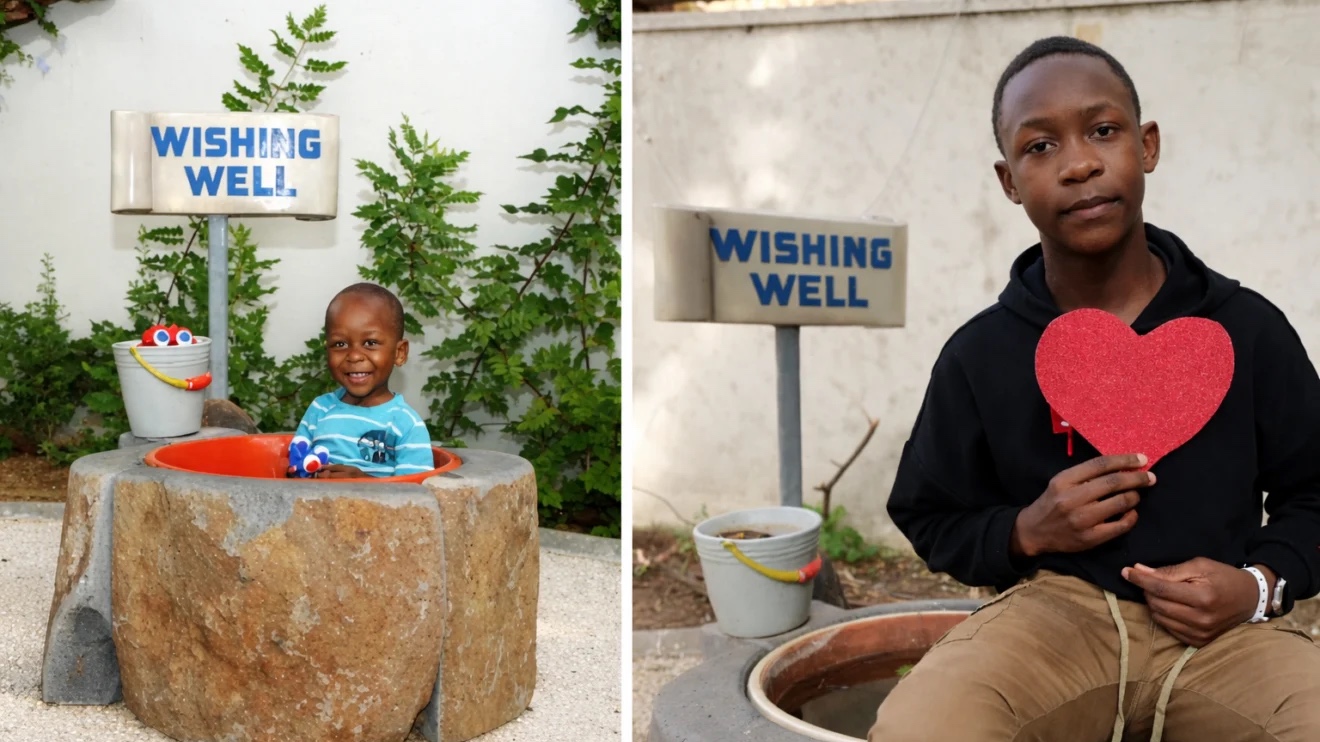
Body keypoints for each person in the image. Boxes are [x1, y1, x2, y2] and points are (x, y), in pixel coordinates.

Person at [869, 36, 1320, 742]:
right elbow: (928, 514)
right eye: (1040, 147)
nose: (1078, 163)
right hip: (1054, 621)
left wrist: (1259, 586)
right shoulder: (980, 355)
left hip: (1228, 632)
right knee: (924, 728)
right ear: (1009, 181)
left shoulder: (1248, 329)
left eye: (1102, 131)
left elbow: (1314, 491)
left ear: (1147, 145)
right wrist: (1024, 530)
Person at [289, 282, 435, 479]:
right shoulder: (320, 410)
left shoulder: (406, 425)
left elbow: (415, 497)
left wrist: (362, 483)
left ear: (399, 353)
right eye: (340, 344)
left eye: (370, 343)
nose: (355, 356)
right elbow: (296, 468)